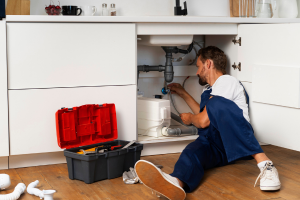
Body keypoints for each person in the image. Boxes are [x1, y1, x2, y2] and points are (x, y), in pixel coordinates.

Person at [135, 46, 281, 200]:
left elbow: (203, 120)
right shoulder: (209, 90)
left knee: (215, 104)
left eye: (198, 66)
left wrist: (192, 119)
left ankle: (266, 165)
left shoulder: (226, 81)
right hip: (216, 144)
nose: (197, 72)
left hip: (236, 140)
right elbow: (204, 115)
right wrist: (184, 94)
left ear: (209, 64)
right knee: (192, 152)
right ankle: (176, 182)